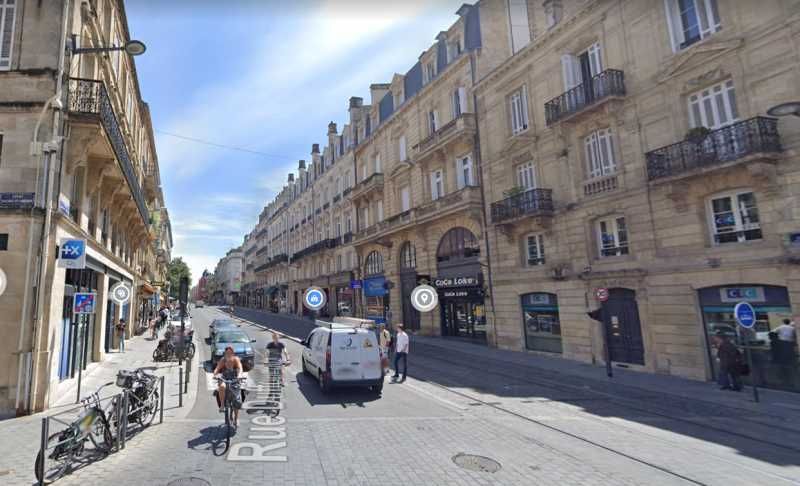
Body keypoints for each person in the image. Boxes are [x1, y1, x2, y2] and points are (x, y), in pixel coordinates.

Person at [213, 346, 244, 427]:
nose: (228, 354)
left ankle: (236, 419)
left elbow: (240, 368)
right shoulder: (223, 360)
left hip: (234, 380)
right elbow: (217, 368)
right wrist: (215, 374)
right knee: (222, 387)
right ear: (225, 353)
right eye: (227, 353)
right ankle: (222, 405)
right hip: (225, 379)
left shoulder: (236, 359)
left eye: (230, 353)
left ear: (233, 353)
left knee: (236, 400)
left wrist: (239, 375)